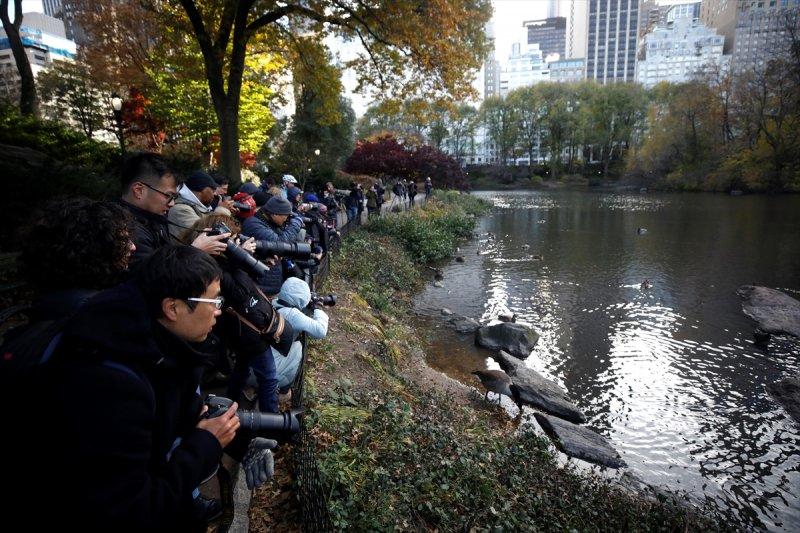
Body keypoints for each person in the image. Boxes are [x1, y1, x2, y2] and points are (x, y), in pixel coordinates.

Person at [8, 245, 242, 530]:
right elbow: (131, 507)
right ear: (172, 307)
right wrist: (204, 445)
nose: (219, 311)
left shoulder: (147, 340)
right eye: (214, 302)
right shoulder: (112, 385)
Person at [182, 214, 294, 414]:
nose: (236, 242)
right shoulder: (212, 266)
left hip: (240, 329)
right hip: (246, 331)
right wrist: (239, 259)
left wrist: (254, 261)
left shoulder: (219, 262)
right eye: (232, 239)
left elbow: (246, 284)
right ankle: (272, 422)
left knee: (242, 368)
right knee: (269, 377)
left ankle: (230, 402)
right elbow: (241, 293)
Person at [17, 198, 136, 322]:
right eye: (122, 240)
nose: (133, 246)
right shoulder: (95, 312)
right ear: (94, 248)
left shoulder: (54, 299)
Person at [119, 152, 227, 272]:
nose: (172, 204)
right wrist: (196, 252)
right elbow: (151, 280)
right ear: (139, 191)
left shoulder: (152, 219)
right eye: (168, 196)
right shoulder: (123, 230)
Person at [271, 277, 329, 398]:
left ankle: (252, 388)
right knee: (297, 347)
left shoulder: (274, 302)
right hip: (270, 373)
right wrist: (317, 308)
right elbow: (320, 331)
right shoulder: (293, 315)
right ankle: (284, 391)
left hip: (255, 365)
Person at [168, 170, 231, 242]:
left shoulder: (199, 207)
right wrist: (222, 210)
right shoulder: (180, 209)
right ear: (202, 189)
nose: (215, 194)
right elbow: (207, 235)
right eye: (213, 190)